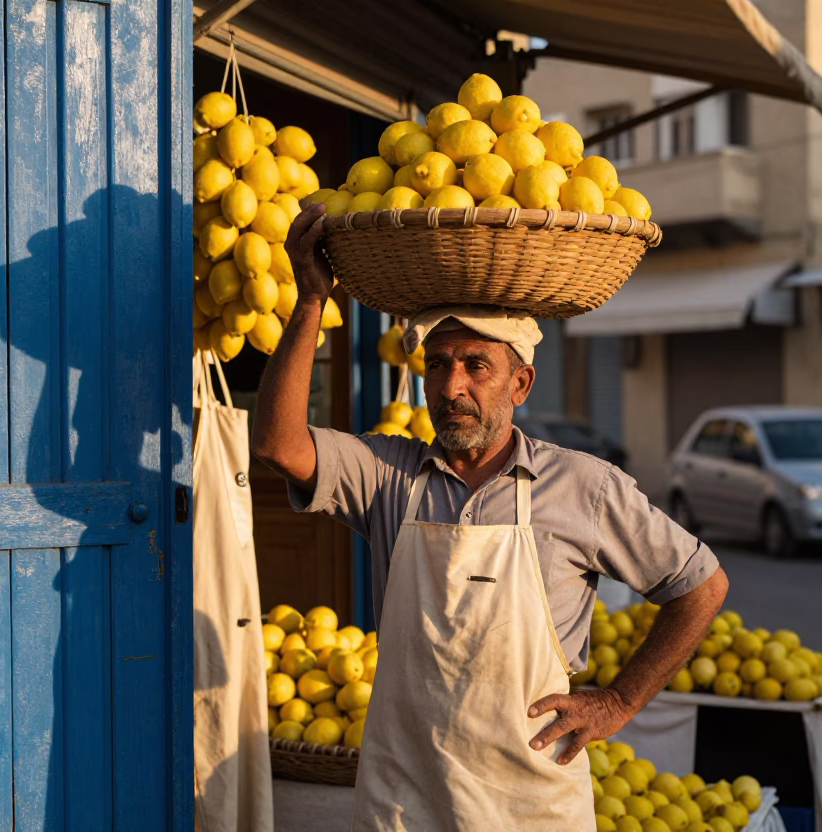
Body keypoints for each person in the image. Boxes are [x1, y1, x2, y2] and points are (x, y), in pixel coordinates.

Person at [251, 202, 729, 830]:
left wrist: (617, 701)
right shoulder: (387, 475)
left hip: (528, 803)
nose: (452, 387)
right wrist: (311, 300)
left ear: (521, 384)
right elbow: (276, 443)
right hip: (406, 799)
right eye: (438, 365)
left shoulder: (581, 486)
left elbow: (701, 585)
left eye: (476, 365)